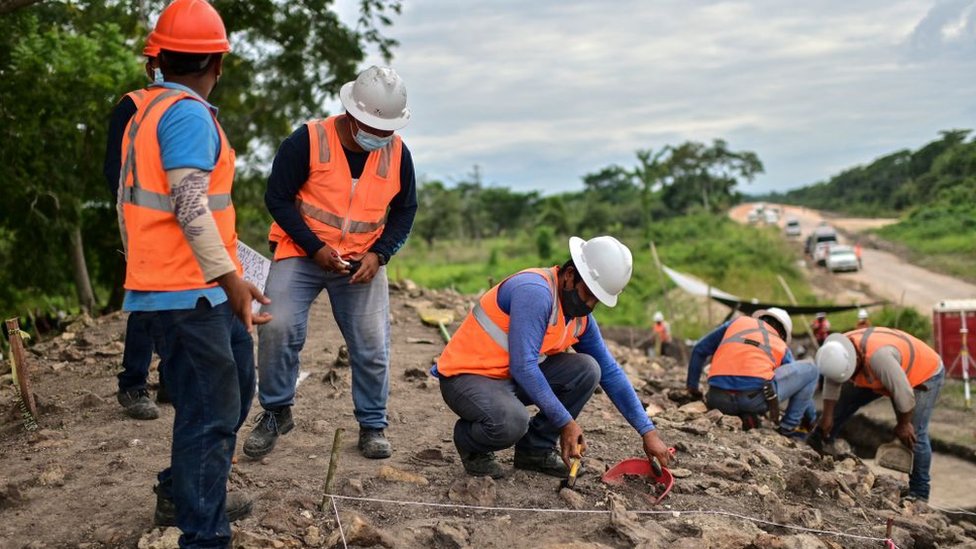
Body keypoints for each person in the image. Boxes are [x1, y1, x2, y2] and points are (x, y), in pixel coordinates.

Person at [118, 0, 271, 543]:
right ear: (217, 64)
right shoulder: (183, 113)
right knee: (209, 412)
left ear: (160, 57)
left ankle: (181, 491)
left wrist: (230, 276)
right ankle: (204, 535)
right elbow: (188, 203)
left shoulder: (153, 109)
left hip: (196, 288)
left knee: (234, 391)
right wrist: (231, 281)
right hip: (186, 293)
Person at [243, 66, 417, 460]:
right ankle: (275, 411)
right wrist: (314, 247)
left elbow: (406, 210)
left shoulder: (397, 153)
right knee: (278, 325)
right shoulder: (307, 140)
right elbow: (277, 198)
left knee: (372, 344)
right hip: (301, 252)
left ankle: (373, 424)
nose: (381, 136)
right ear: (352, 114)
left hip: (361, 263)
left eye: (387, 129)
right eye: (374, 126)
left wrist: (380, 253)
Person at [433, 236, 672, 479]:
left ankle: (534, 451)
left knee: (589, 369)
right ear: (569, 275)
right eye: (587, 293)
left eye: (596, 301)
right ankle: (470, 442)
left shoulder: (580, 318)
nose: (589, 304)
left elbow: (610, 371)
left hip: (508, 379)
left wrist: (647, 431)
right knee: (512, 421)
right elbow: (524, 366)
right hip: (467, 378)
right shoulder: (535, 292)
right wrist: (566, 422)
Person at [104, 32, 166, 420]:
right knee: (149, 297)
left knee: (184, 297)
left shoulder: (197, 108)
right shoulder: (131, 106)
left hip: (186, 219)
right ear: (150, 67)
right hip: (142, 217)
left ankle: (172, 382)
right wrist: (133, 215)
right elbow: (113, 167)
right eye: (161, 62)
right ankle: (133, 385)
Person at [813, 329, 944, 502]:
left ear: (855, 361)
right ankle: (820, 446)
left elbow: (904, 394)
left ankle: (919, 493)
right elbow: (833, 379)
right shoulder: (837, 350)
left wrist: (903, 424)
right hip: (884, 371)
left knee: (915, 433)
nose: (848, 379)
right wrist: (827, 416)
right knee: (842, 404)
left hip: (925, 373)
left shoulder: (879, 359)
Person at [686, 308, 818, 437]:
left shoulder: (736, 323)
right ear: (783, 334)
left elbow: (699, 349)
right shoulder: (780, 344)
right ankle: (787, 428)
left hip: (717, 398)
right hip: (753, 401)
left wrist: (693, 388)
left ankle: (743, 415)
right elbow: (798, 379)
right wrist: (811, 417)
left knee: (740, 396)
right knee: (812, 370)